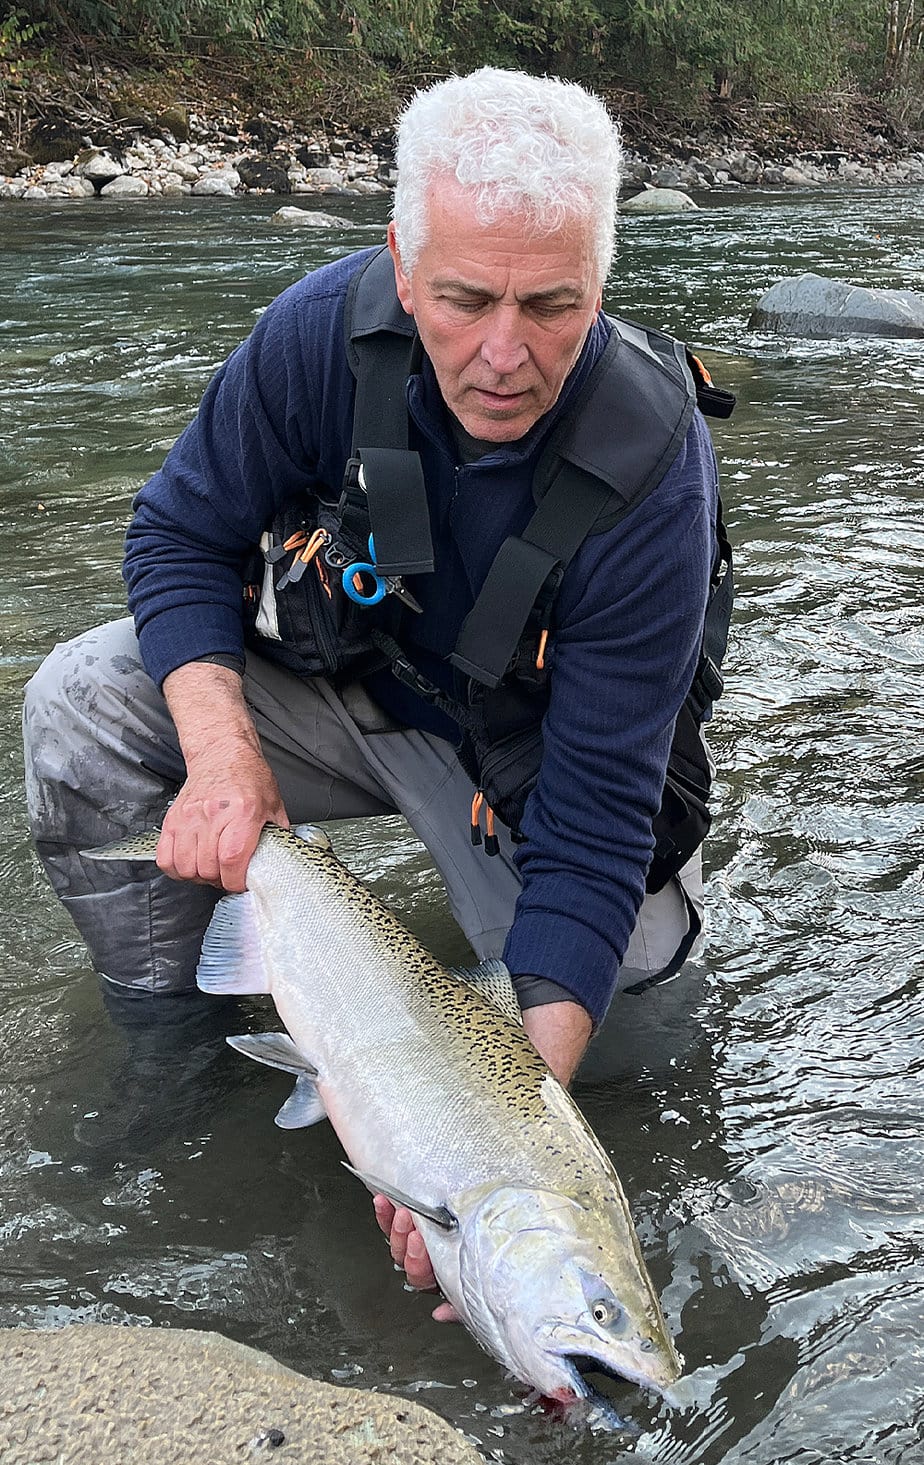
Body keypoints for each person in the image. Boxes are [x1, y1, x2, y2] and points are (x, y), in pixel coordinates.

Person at [23, 66, 728, 1307]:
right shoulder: (317, 334)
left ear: (601, 284)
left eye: (551, 305)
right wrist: (226, 755)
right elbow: (177, 538)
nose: (503, 354)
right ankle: (172, 1031)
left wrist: (493, 1141)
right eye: (463, 300)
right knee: (78, 707)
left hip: (528, 770)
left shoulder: (653, 470)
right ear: (405, 266)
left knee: (625, 1030)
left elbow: (605, 811)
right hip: (341, 692)